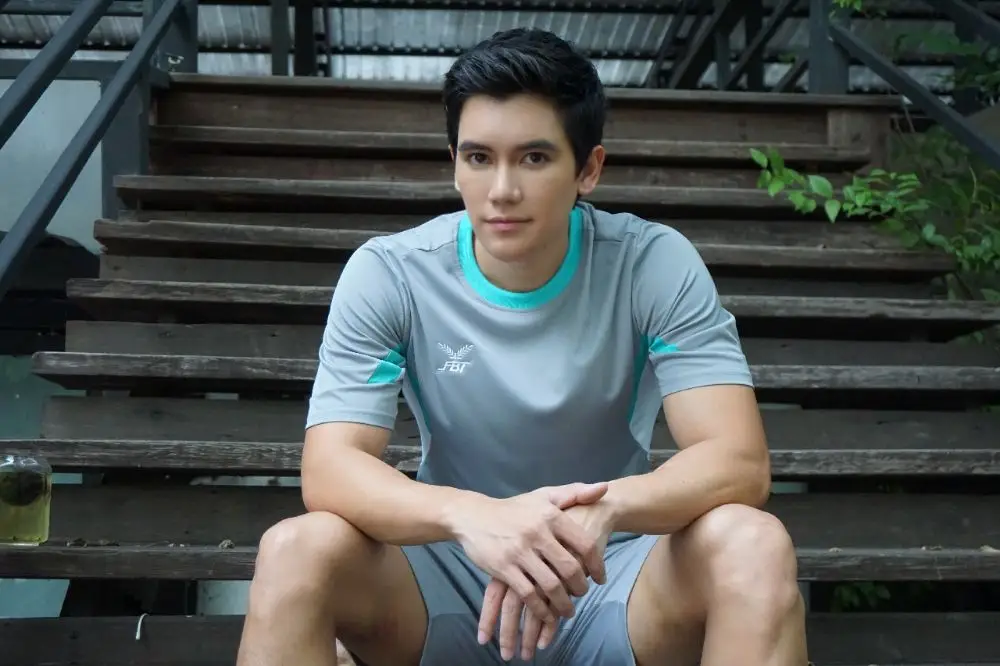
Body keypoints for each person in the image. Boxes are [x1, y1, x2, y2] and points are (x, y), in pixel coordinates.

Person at [235, 27, 807, 666]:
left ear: (588, 169)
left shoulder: (651, 263)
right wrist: (472, 516)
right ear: (454, 163)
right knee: (295, 551)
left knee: (753, 544)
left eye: (534, 158)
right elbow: (329, 468)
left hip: (611, 580)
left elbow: (738, 460)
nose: (501, 189)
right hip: (446, 583)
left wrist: (606, 509)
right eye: (479, 157)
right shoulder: (391, 273)